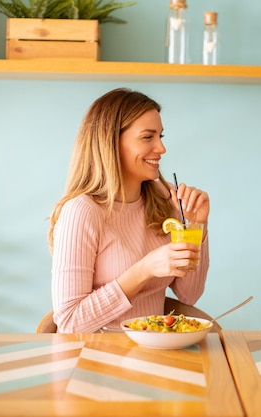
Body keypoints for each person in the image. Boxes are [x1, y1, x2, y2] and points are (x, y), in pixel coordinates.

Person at [48, 88, 210, 333]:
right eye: (148, 137)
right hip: (95, 357)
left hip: (154, 349)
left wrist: (197, 226)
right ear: (111, 142)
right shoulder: (82, 212)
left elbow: (189, 295)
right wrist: (144, 270)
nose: (161, 148)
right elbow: (70, 322)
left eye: (161, 136)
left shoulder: (166, 200)